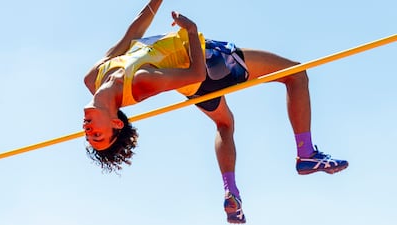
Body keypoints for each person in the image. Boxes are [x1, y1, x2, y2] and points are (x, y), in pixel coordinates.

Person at [83, 0, 348, 223]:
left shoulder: (94, 77)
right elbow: (195, 73)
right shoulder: (139, 83)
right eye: (97, 136)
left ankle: (231, 192)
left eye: (89, 135)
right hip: (210, 65)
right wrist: (191, 30)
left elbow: (132, 34)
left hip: (196, 86)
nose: (88, 131)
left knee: (225, 125)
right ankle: (306, 153)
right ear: (116, 124)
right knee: (295, 74)